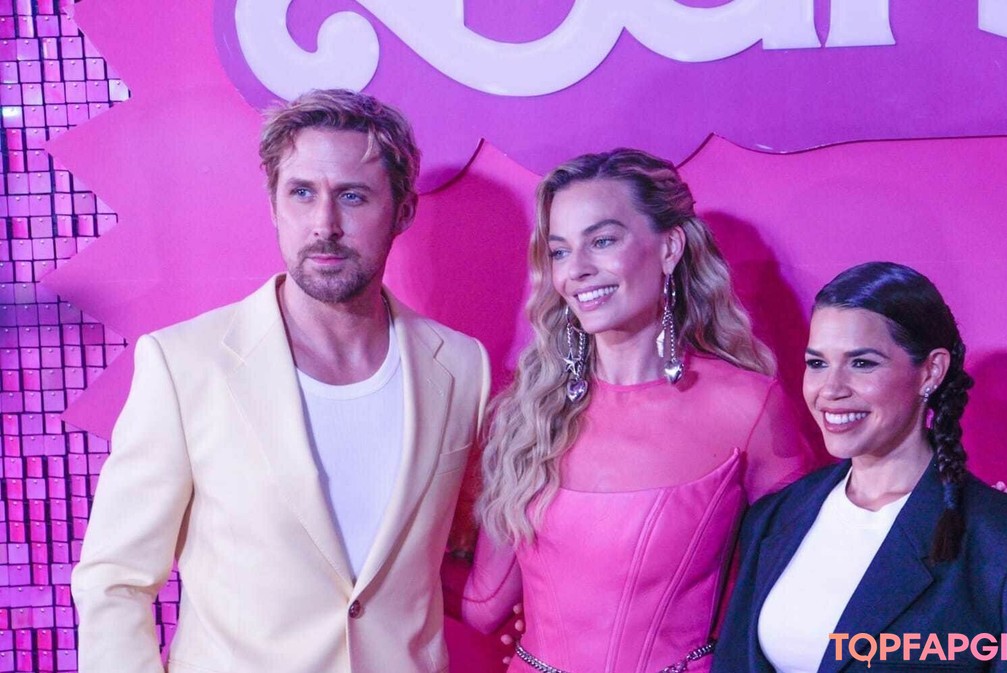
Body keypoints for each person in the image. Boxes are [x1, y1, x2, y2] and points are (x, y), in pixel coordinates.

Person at [71, 90, 490, 673]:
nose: (325, 225)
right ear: (273, 205)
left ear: (403, 211)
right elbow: (115, 579)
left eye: (352, 196)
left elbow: (462, 556)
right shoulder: (184, 364)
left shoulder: (463, 366)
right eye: (301, 193)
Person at [447, 148, 817, 672]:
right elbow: (483, 607)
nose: (577, 270)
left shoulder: (748, 407)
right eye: (559, 251)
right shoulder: (530, 417)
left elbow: (798, 588)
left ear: (669, 248)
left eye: (602, 241)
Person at [713, 261, 1007, 672]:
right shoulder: (773, 519)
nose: (830, 389)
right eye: (817, 363)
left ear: (931, 371)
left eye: (862, 363)